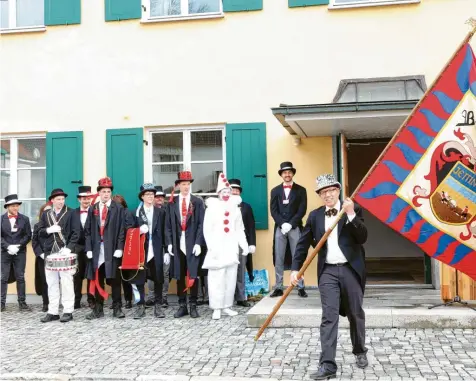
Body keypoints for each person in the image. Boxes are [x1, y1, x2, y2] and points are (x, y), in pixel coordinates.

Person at [290, 174, 368, 380]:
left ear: (338, 191)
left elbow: (363, 237)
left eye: (331, 190)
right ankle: (328, 365)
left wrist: (350, 214)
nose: (328, 195)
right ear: (320, 195)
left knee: (355, 313)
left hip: (351, 269)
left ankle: (360, 351)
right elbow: (302, 244)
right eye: (323, 192)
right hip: (328, 272)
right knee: (329, 317)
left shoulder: (353, 209)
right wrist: (295, 269)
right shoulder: (315, 216)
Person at [203, 173, 249, 320]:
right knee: (217, 278)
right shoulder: (212, 208)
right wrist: (211, 246)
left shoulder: (236, 208)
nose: (227, 194)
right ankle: (216, 307)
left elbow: (239, 228)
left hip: (231, 247)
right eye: (224, 192)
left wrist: (244, 244)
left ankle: (227, 306)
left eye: (228, 192)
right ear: (219, 193)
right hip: (217, 247)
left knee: (230, 277)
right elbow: (207, 229)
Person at [165, 170, 205, 319]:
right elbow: (167, 225)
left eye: (188, 184)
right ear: (178, 185)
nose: (186, 187)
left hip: (192, 242)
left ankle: (193, 305)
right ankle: (183, 306)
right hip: (177, 243)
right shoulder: (172, 203)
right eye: (183, 184)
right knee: (179, 275)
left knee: (193, 274)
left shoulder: (197, 202)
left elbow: (202, 224)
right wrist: (169, 243)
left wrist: (198, 242)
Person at [85, 177, 126, 319]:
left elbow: (122, 229)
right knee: (98, 279)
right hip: (97, 250)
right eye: (103, 191)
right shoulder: (93, 208)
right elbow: (88, 230)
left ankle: (117, 308)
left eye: (108, 191)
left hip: (112, 249)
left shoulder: (118, 208)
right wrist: (89, 249)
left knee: (115, 280)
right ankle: (98, 308)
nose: (106, 194)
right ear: (99, 193)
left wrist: (120, 247)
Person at [38, 189, 80, 323]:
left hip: (64, 252)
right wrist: (48, 230)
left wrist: (69, 248)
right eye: (58, 199)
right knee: (51, 283)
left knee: (67, 282)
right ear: (52, 200)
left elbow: (76, 233)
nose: (61, 201)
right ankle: (53, 311)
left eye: (62, 199)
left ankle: (68, 311)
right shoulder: (46, 214)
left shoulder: (71, 212)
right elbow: (40, 232)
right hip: (50, 252)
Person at [270, 161, 308, 298]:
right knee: (279, 257)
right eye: (285, 172)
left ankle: (300, 286)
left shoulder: (301, 190)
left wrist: (291, 224)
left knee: (297, 255)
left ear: (292, 173)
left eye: (289, 172)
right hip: (280, 228)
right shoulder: (275, 191)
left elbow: (302, 210)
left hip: (295, 226)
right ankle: (279, 286)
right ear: (281, 175)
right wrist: (282, 224)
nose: (287, 174)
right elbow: (273, 211)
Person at [133, 183, 168, 319]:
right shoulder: (136, 212)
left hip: (157, 249)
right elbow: (129, 231)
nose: (150, 197)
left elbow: (165, 231)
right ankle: (140, 305)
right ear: (142, 197)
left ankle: (158, 306)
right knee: (140, 278)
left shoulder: (161, 212)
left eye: (152, 194)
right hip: (142, 250)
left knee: (158, 277)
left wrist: (166, 249)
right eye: (147, 194)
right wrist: (138, 231)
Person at [1, 194, 32, 312]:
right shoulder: (0, 219)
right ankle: (1, 303)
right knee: (3, 278)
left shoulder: (25, 219)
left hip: (20, 252)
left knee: (20, 277)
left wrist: (18, 246)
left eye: (17, 205)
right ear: (7, 207)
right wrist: (8, 246)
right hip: (5, 252)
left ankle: (22, 303)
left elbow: (28, 235)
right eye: (13, 206)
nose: (16, 208)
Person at [229, 179, 256, 307]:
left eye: (237, 190)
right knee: (227, 269)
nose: (234, 192)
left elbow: (251, 226)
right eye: (232, 189)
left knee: (240, 270)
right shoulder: (224, 205)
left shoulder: (246, 207)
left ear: (239, 192)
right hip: (227, 241)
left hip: (242, 242)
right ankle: (227, 299)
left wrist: (252, 243)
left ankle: (240, 297)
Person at [72, 186, 95, 309]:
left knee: (91, 275)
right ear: (79, 200)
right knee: (77, 276)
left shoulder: (95, 211)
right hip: (77, 248)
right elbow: (68, 231)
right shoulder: (72, 213)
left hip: (91, 248)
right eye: (83, 198)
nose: (86, 201)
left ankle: (91, 299)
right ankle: (76, 300)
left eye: (88, 198)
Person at [112, 195, 135, 310]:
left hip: (125, 248)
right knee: (114, 276)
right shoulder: (111, 213)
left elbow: (130, 229)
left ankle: (128, 300)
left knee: (125, 276)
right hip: (112, 249)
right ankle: (116, 301)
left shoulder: (127, 213)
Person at [146, 185, 168, 307]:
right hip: (150, 248)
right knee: (150, 273)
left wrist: (167, 249)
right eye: (157, 196)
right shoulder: (146, 211)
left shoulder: (167, 210)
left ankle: (163, 297)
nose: (159, 199)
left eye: (161, 196)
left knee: (163, 273)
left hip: (163, 247)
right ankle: (151, 296)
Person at [32, 202, 52, 312]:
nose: (48, 213)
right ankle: (46, 303)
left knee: (55, 281)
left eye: (50, 211)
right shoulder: (37, 226)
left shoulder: (57, 225)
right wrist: (41, 253)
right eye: (46, 211)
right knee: (45, 280)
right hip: (42, 257)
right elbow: (34, 242)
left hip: (54, 256)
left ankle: (55, 302)